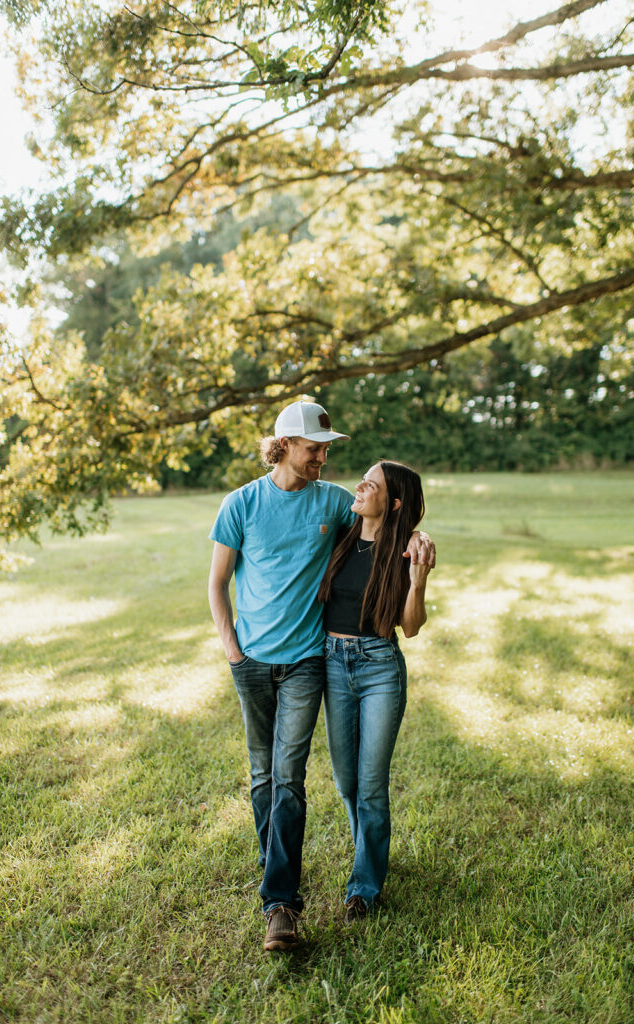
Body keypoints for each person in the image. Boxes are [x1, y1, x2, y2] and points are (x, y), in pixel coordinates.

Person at [208, 400, 435, 952]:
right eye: (316, 449)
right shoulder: (245, 505)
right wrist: (233, 652)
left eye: (328, 451)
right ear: (285, 445)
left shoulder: (338, 506)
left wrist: (417, 559)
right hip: (269, 661)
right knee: (276, 776)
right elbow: (217, 584)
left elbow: (392, 526)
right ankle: (276, 858)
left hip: (324, 663)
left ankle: (300, 898)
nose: (325, 460)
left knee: (302, 778)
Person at [318, 460, 431, 922]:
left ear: (395, 502)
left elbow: (410, 627)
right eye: (363, 477)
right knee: (346, 782)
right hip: (331, 663)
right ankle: (371, 851)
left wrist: (418, 581)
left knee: (370, 786)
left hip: (379, 668)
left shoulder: (405, 552)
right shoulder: (341, 537)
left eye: (373, 484)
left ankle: (363, 886)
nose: (360, 485)